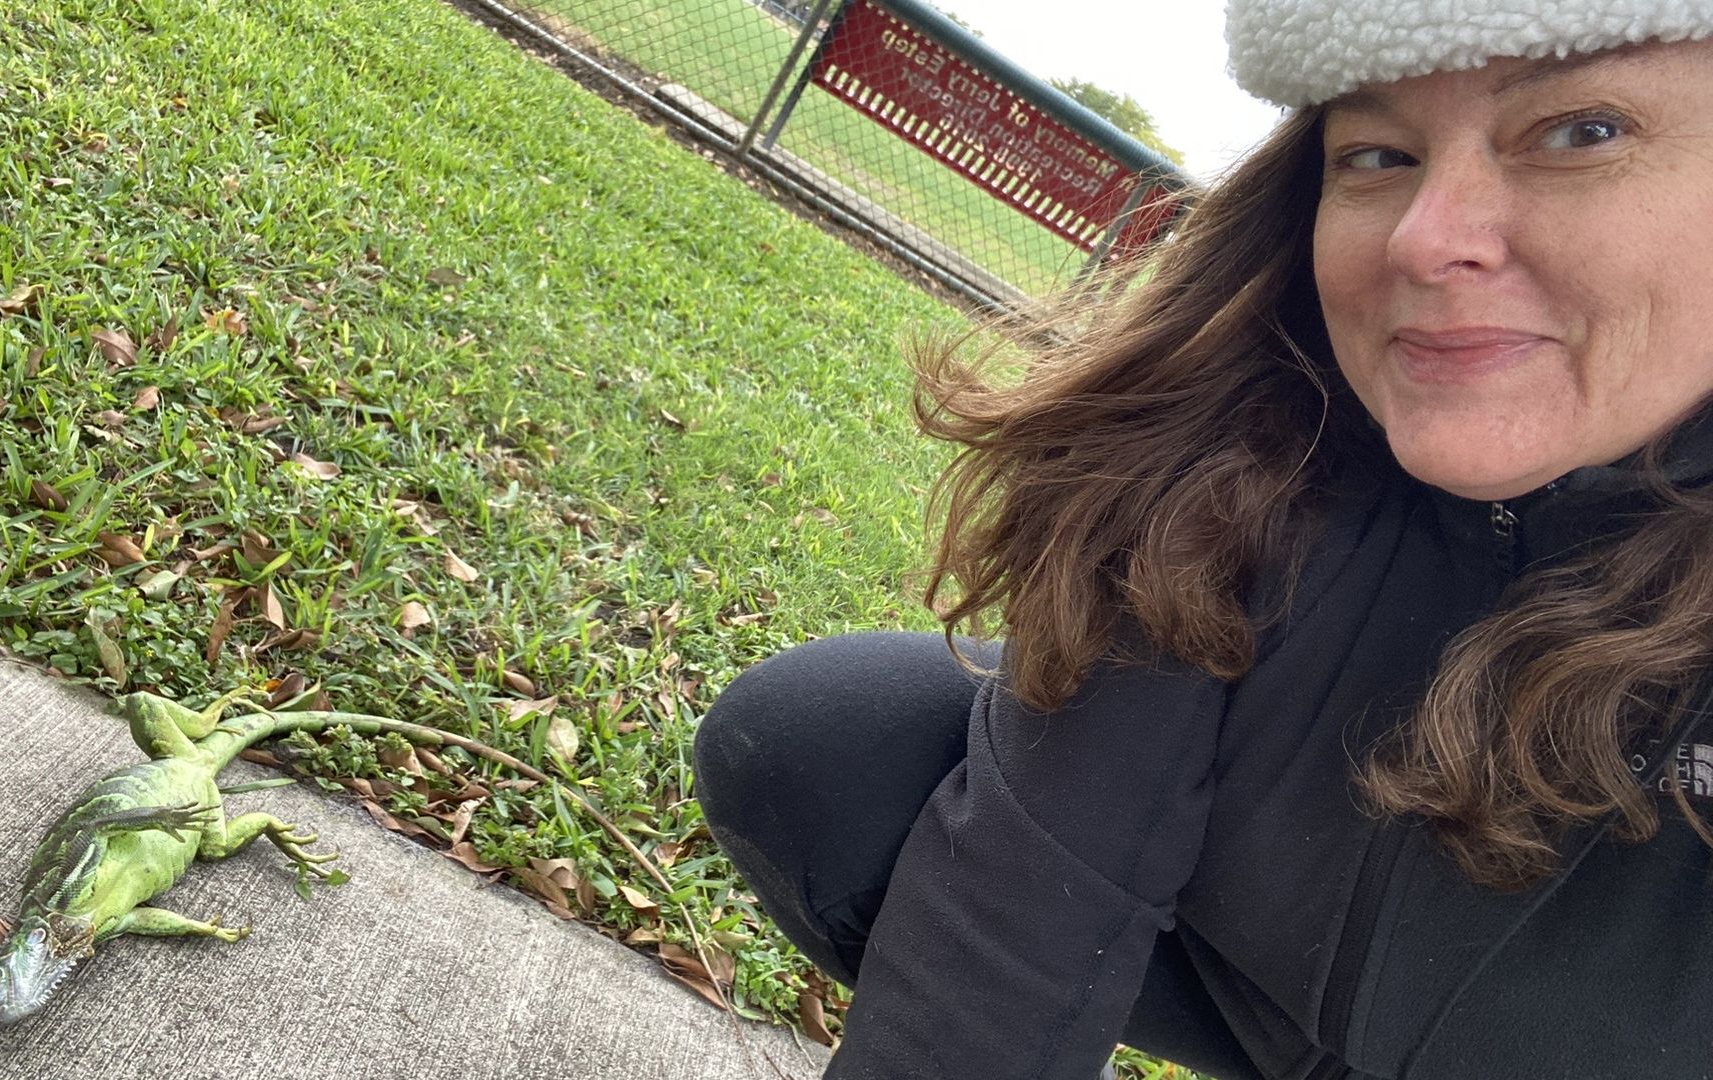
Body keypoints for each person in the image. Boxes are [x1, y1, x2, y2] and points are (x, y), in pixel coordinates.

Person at [693, 2, 1713, 1078]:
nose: (1425, 235)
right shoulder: (1248, 447)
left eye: (1581, 132)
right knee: (829, 742)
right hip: (1280, 1007)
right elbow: (1013, 925)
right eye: (1376, 153)